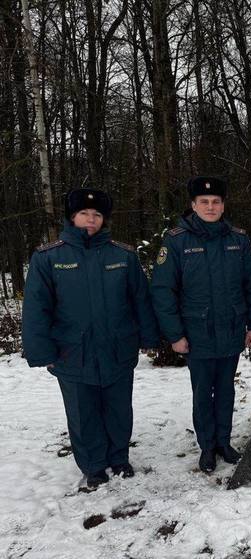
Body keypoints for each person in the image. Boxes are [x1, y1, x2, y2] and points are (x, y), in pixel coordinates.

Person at [22, 188, 160, 488]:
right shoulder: (48, 257)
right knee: (83, 414)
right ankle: (93, 465)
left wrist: (149, 336)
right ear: (72, 217)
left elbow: (140, 299)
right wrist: (42, 351)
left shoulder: (123, 255)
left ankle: (119, 458)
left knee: (118, 408)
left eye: (96, 215)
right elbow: (36, 308)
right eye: (84, 214)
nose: (90, 220)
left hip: (117, 349)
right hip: (72, 352)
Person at [150, 176, 251, 473]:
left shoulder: (238, 239)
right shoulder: (176, 241)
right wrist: (175, 335)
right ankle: (207, 448)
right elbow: (163, 291)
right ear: (193, 205)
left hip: (231, 329)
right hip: (196, 334)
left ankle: (224, 442)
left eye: (216, 202)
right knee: (202, 393)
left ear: (223, 205)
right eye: (204, 202)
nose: (210, 207)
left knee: (226, 390)